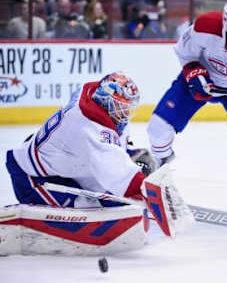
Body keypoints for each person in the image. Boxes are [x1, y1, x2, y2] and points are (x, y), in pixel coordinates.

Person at [4, 72, 189, 239]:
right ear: (106, 101)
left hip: (65, 167)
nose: (125, 113)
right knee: (93, 210)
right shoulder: (90, 129)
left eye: (128, 107)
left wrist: (128, 154)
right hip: (33, 178)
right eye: (121, 107)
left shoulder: (91, 98)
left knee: (113, 200)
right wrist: (144, 192)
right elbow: (118, 172)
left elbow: (107, 151)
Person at [147, 0, 227, 215]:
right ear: (225, 18)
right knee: (157, 129)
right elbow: (186, 54)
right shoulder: (205, 25)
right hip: (199, 82)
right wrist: (195, 73)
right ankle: (160, 167)